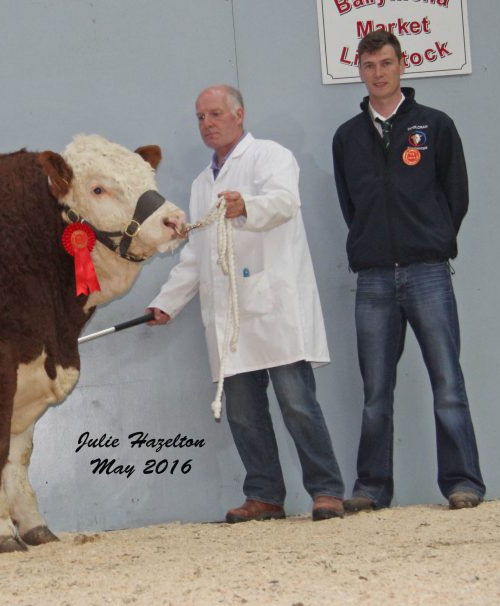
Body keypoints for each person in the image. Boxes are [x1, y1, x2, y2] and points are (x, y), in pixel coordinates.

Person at [147, 84, 345, 522]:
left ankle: (326, 490)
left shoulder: (271, 156)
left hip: (273, 306)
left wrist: (245, 205)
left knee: (297, 403)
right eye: (200, 117)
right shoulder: (202, 185)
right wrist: (166, 303)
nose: (207, 124)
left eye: (215, 114)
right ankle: (265, 496)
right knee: (242, 412)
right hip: (228, 317)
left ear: (239, 114)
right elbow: (195, 255)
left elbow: (284, 203)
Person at [332, 30, 485, 512]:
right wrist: (373, 245)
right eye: (369, 65)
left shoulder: (434, 126)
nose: (378, 73)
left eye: (386, 63)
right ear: (359, 70)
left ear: (402, 66)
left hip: (428, 273)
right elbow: (349, 205)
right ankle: (373, 488)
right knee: (376, 390)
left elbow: (455, 195)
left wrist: (432, 238)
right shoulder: (347, 137)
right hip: (374, 278)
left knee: (447, 384)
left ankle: (463, 483)